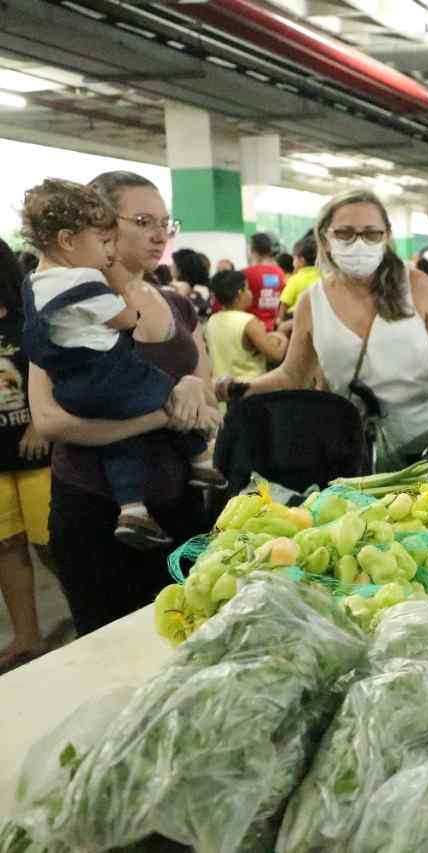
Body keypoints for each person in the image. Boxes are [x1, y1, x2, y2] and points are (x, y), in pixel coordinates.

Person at [30, 171, 221, 635]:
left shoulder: (177, 305)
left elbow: (205, 395)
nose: (160, 235)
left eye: (165, 223)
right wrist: (162, 412)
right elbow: (50, 420)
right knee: (108, 645)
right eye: (142, 221)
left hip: (182, 501)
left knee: (188, 638)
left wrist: (195, 391)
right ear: (100, 224)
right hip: (94, 511)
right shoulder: (68, 306)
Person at [215, 189, 428, 469]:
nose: (359, 243)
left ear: (386, 237)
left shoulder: (415, 285)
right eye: (345, 233)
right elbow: (292, 375)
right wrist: (243, 387)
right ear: (325, 239)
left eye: (371, 233)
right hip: (360, 450)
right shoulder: (311, 303)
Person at [0, 238, 54, 673]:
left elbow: (57, 373)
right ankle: (27, 637)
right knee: (6, 545)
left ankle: (91, 619)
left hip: (39, 456)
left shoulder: (29, 321)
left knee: (53, 544)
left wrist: (39, 422)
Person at [205, 270, 288, 386]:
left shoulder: (211, 321)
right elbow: (276, 356)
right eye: (248, 288)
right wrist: (283, 337)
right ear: (240, 293)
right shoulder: (248, 321)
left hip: (221, 388)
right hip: (249, 388)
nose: (251, 293)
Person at [239, 232, 286, 331]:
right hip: (274, 327)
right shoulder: (280, 273)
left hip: (250, 328)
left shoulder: (245, 274)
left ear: (252, 249)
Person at [279, 232, 320, 321]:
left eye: (294, 258)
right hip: (319, 316)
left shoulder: (295, 279)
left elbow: (284, 303)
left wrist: (280, 321)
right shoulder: (323, 277)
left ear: (301, 261)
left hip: (297, 317)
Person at [171, 248, 212, 318]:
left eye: (173, 263)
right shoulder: (205, 289)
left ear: (180, 268)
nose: (171, 266)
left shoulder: (195, 291)